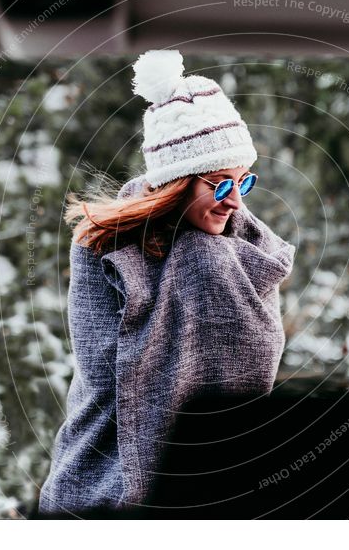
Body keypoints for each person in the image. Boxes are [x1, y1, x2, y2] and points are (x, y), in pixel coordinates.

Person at [38, 49, 296, 515]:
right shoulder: (103, 247)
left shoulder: (258, 255)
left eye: (244, 182)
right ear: (176, 183)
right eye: (219, 184)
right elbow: (105, 381)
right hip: (99, 491)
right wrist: (198, 259)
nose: (235, 201)